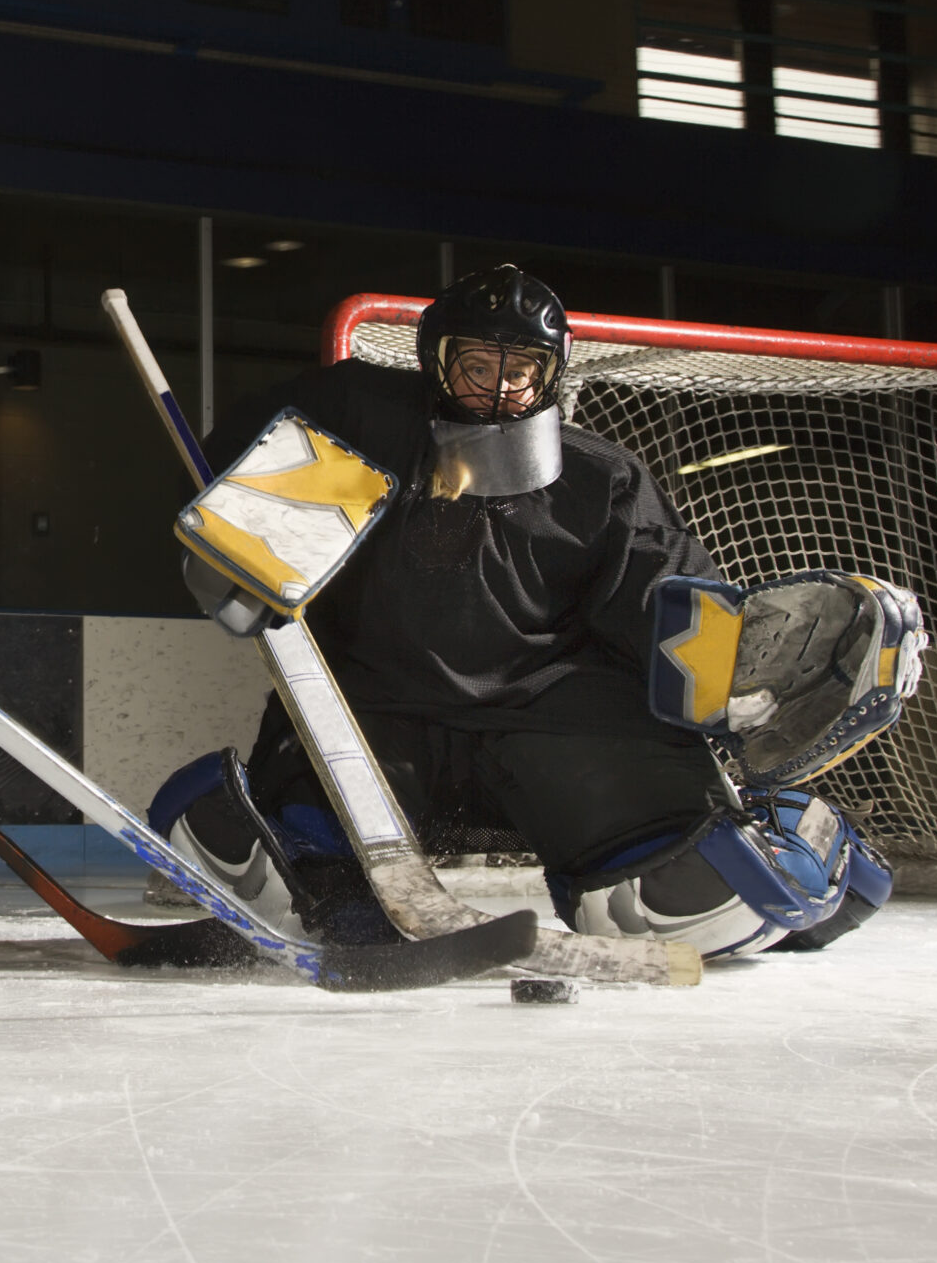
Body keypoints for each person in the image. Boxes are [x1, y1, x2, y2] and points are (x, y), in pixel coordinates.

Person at [149, 265, 892, 960]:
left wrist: (742, 669)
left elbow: (666, 602)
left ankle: (813, 849)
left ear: (553, 373)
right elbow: (226, 476)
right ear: (437, 360)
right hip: (376, 711)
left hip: (547, 717)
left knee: (673, 905)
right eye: (477, 364)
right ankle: (326, 869)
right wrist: (238, 517)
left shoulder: (602, 480)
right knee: (309, 895)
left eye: (522, 368)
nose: (499, 387)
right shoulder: (356, 426)